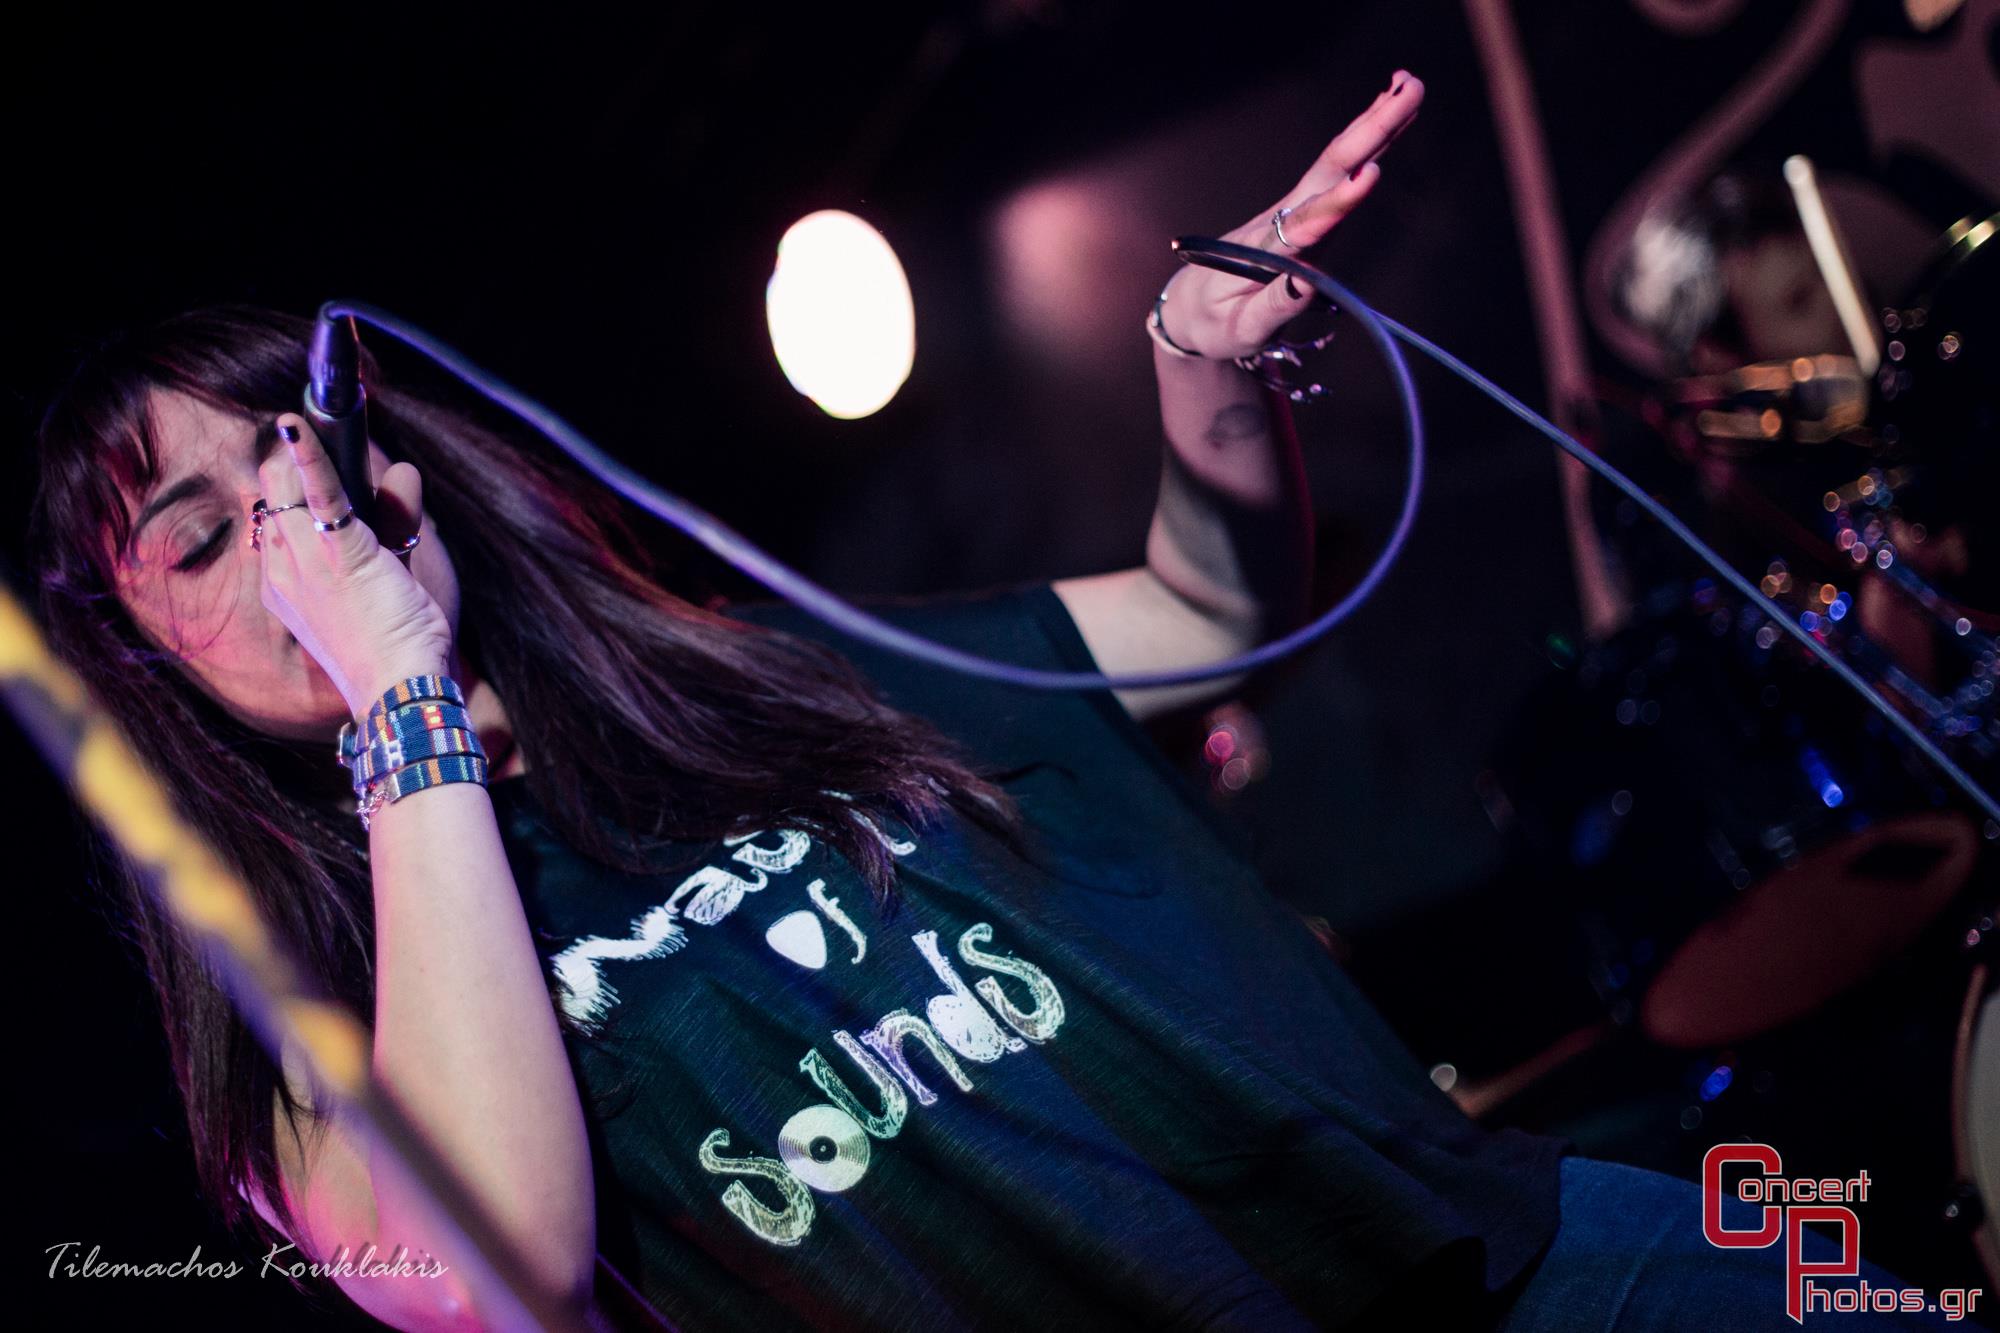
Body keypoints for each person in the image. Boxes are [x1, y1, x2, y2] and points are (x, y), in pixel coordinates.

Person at [26, 71, 1968, 1333]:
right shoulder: (302, 1033)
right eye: (200, 533)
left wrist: (1205, 382)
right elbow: (495, 1260)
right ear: (148, 666)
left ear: (393, 461)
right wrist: (400, 707)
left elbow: (1208, 610)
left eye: (295, 444)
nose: (288, 515)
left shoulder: (765, 673)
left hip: (1517, 1272)